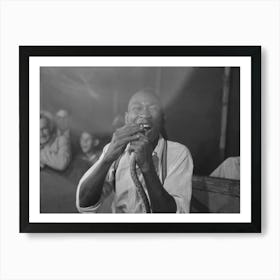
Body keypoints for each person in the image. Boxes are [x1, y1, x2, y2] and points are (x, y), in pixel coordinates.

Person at [76, 89, 193, 213]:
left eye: (152, 108)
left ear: (163, 118)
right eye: (137, 108)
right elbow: (84, 204)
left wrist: (147, 166)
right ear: (127, 118)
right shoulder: (115, 149)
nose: (145, 114)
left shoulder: (179, 154)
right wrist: (107, 159)